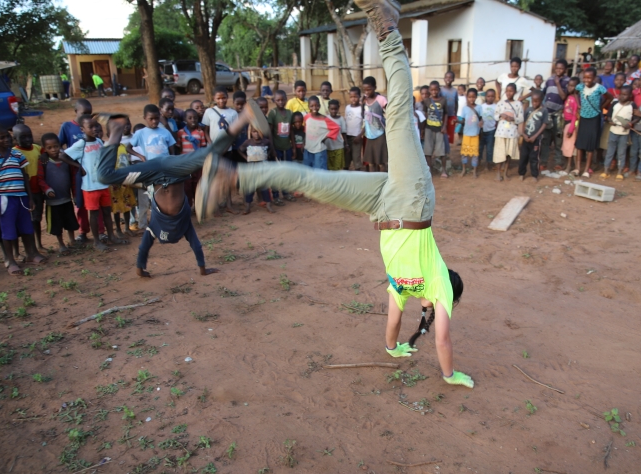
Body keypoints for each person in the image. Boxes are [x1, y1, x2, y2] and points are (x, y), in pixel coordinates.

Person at [194, 0, 473, 388]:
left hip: (382, 206)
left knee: (312, 183)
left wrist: (394, 348)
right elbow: (442, 337)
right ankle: (389, 29)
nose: (440, 311)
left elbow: (393, 322)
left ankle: (232, 175)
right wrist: (450, 374)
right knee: (396, 114)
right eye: (445, 307)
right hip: (412, 199)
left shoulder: (404, 289)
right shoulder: (439, 281)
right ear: (449, 298)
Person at [90, 104, 268, 276]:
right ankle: (245, 115)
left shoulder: (154, 228)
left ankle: (115, 129)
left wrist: (140, 269)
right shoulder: (185, 224)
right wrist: (202, 269)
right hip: (174, 169)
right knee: (212, 153)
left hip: (152, 173)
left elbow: (144, 248)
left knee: (105, 176)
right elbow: (196, 246)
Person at [0, 123, 47, 275]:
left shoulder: (17, 154)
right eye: (2, 137)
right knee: (8, 230)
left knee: (26, 227)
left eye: (7, 136)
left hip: (22, 197)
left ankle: (31, 254)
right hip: (4, 199)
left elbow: (24, 176)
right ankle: (10, 260)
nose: (7, 139)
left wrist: (30, 198)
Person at [60, 115, 127, 252]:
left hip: (103, 184)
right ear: (82, 129)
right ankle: (97, 241)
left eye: (97, 125)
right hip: (90, 187)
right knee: (94, 214)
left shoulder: (99, 142)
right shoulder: (81, 144)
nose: (95, 128)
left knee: (107, 212)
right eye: (91, 126)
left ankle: (111, 236)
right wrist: (79, 167)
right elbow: (62, 155)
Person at [58, 99, 103, 242]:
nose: (87, 116)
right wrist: (75, 163)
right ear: (76, 111)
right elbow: (59, 147)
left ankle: (100, 231)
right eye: (84, 113)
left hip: (93, 171)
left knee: (97, 200)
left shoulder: (93, 126)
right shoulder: (67, 126)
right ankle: (83, 231)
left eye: (90, 113)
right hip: (76, 172)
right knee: (80, 201)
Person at [11, 125, 45, 252]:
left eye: (29, 136)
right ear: (15, 139)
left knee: (36, 219)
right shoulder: (15, 152)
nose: (27, 139)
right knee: (24, 220)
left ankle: (39, 244)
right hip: (23, 192)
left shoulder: (37, 148)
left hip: (37, 191)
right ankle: (24, 249)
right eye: (22, 137)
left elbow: (45, 159)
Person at [106, 118, 138, 238]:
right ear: (109, 135)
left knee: (127, 205)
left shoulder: (123, 147)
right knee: (116, 208)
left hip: (125, 182)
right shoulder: (107, 149)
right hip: (114, 184)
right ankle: (118, 229)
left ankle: (127, 228)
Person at [575, 68, 610, 178]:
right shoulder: (580, 86)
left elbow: (610, 97)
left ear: (594, 78)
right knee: (580, 144)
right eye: (585, 77)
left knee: (590, 145)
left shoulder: (600, 88)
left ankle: (586, 170)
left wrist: (601, 107)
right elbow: (575, 93)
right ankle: (577, 168)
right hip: (583, 118)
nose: (587, 79)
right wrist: (578, 104)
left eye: (589, 77)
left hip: (594, 118)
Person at [540, 59, 569, 171]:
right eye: (557, 68)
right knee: (546, 139)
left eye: (561, 68)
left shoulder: (567, 81)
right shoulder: (549, 79)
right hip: (548, 113)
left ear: (565, 69)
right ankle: (543, 162)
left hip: (558, 114)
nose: (558, 70)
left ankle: (558, 162)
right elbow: (544, 94)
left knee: (558, 139)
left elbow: (563, 97)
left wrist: (558, 83)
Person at [600, 85, 634, 181]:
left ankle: (620, 172)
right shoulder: (615, 103)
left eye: (625, 95)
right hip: (613, 131)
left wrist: (630, 124)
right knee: (609, 151)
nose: (622, 96)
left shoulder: (632, 105)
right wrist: (610, 121)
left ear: (630, 95)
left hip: (624, 134)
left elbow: (636, 118)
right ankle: (606, 170)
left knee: (621, 153)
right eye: (620, 94)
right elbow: (609, 116)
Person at [177, 109, 208, 208]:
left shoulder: (200, 133)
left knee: (198, 185)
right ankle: (189, 207)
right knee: (187, 187)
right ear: (185, 119)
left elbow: (203, 148)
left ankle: (198, 207)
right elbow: (179, 148)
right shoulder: (181, 133)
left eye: (195, 118)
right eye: (190, 118)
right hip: (186, 164)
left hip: (198, 164)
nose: (193, 120)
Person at [267, 90, 294, 203]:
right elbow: (270, 132)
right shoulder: (273, 113)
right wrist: (272, 148)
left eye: (283, 99)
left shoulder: (289, 113)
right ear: (274, 101)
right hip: (276, 148)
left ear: (286, 100)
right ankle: (276, 195)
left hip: (286, 147)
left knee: (286, 171)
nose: (281, 102)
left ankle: (286, 193)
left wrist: (292, 147)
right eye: (278, 100)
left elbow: (291, 130)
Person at [239, 126, 274, 214]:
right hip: (252, 168)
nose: (256, 134)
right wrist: (246, 157)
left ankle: (268, 205)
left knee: (265, 187)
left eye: (258, 132)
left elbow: (271, 149)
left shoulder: (266, 142)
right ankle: (247, 206)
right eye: (254, 132)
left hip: (263, 167)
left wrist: (266, 155)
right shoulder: (248, 142)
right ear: (251, 133)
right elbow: (240, 150)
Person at [493, 82, 524, 181]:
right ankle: (498, 173)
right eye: (507, 91)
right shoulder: (500, 103)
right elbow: (495, 115)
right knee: (499, 153)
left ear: (515, 92)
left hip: (512, 133)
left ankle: (505, 173)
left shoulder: (518, 104)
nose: (509, 93)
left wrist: (513, 118)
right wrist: (501, 116)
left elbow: (521, 118)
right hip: (501, 133)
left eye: (511, 91)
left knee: (508, 154)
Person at [302, 96, 340, 170]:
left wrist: (325, 138)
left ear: (319, 106)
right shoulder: (307, 117)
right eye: (312, 106)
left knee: (320, 172)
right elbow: (306, 130)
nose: (314, 108)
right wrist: (304, 143)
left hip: (319, 150)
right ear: (308, 106)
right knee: (307, 170)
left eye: (316, 105)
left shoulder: (324, 119)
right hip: (308, 148)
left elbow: (336, 127)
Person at [518, 90, 547, 182]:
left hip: (536, 139)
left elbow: (544, 124)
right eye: (533, 101)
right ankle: (521, 173)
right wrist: (524, 134)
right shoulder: (528, 110)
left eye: (537, 101)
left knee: (534, 158)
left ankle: (534, 175)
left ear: (541, 100)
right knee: (523, 157)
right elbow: (524, 122)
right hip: (526, 138)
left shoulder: (544, 111)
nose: (534, 103)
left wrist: (535, 136)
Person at [362, 76, 388, 172]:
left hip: (380, 133)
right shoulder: (364, 100)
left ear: (375, 88)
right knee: (371, 162)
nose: (367, 92)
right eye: (365, 90)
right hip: (369, 135)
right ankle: (374, 180)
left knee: (381, 161)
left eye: (369, 89)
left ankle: (384, 181)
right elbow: (363, 116)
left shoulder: (381, 99)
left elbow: (389, 110)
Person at [423, 80, 448, 178]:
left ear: (439, 89)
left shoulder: (443, 100)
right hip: (428, 128)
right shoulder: (427, 101)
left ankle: (444, 170)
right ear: (429, 90)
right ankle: (429, 171)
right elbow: (425, 114)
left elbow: (446, 113)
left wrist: (444, 126)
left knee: (441, 151)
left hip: (439, 129)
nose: (434, 92)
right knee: (428, 152)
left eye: (436, 89)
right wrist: (422, 130)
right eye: (432, 90)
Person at [456, 88, 481, 177]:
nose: (471, 99)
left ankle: (474, 171)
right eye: (469, 97)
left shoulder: (479, 107)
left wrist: (481, 123)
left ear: (476, 97)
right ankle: (464, 169)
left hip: (475, 134)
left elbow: (481, 119)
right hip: (466, 134)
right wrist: (457, 121)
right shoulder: (465, 108)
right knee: (464, 153)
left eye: (473, 97)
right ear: (467, 97)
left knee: (475, 154)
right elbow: (462, 120)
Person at [562, 77, 580, 174]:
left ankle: (569, 166)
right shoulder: (568, 97)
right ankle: (567, 165)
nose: (570, 87)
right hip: (566, 123)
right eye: (569, 85)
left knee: (570, 147)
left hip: (571, 125)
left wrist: (571, 129)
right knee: (566, 146)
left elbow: (575, 116)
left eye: (573, 86)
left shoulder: (575, 100)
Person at [345, 87, 364, 170]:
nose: (353, 99)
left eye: (355, 97)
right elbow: (346, 121)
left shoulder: (361, 109)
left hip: (357, 138)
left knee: (356, 159)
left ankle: (358, 177)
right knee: (346, 158)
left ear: (359, 96)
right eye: (351, 97)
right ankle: (345, 177)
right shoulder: (347, 107)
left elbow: (365, 123)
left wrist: (360, 136)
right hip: (347, 137)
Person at [442, 71, 459, 161]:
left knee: (449, 136)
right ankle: (442, 153)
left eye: (450, 77)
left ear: (453, 79)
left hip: (451, 116)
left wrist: (455, 115)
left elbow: (456, 103)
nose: (448, 79)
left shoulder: (454, 91)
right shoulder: (441, 90)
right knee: (442, 134)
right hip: (442, 116)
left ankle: (447, 153)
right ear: (444, 79)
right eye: (446, 77)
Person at [478, 89, 497, 171]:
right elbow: (479, 117)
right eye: (488, 96)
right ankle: (478, 163)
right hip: (482, 131)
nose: (490, 98)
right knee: (480, 148)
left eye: (492, 96)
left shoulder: (496, 107)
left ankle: (487, 164)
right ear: (485, 97)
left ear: (494, 97)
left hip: (491, 130)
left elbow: (497, 118)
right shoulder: (482, 106)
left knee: (489, 149)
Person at [326, 99, 347, 170]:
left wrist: (346, 144)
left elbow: (343, 133)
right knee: (329, 167)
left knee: (338, 168)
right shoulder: (326, 118)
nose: (333, 111)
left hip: (339, 147)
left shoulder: (341, 119)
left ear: (338, 108)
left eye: (335, 109)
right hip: (328, 147)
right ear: (329, 109)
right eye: (332, 109)